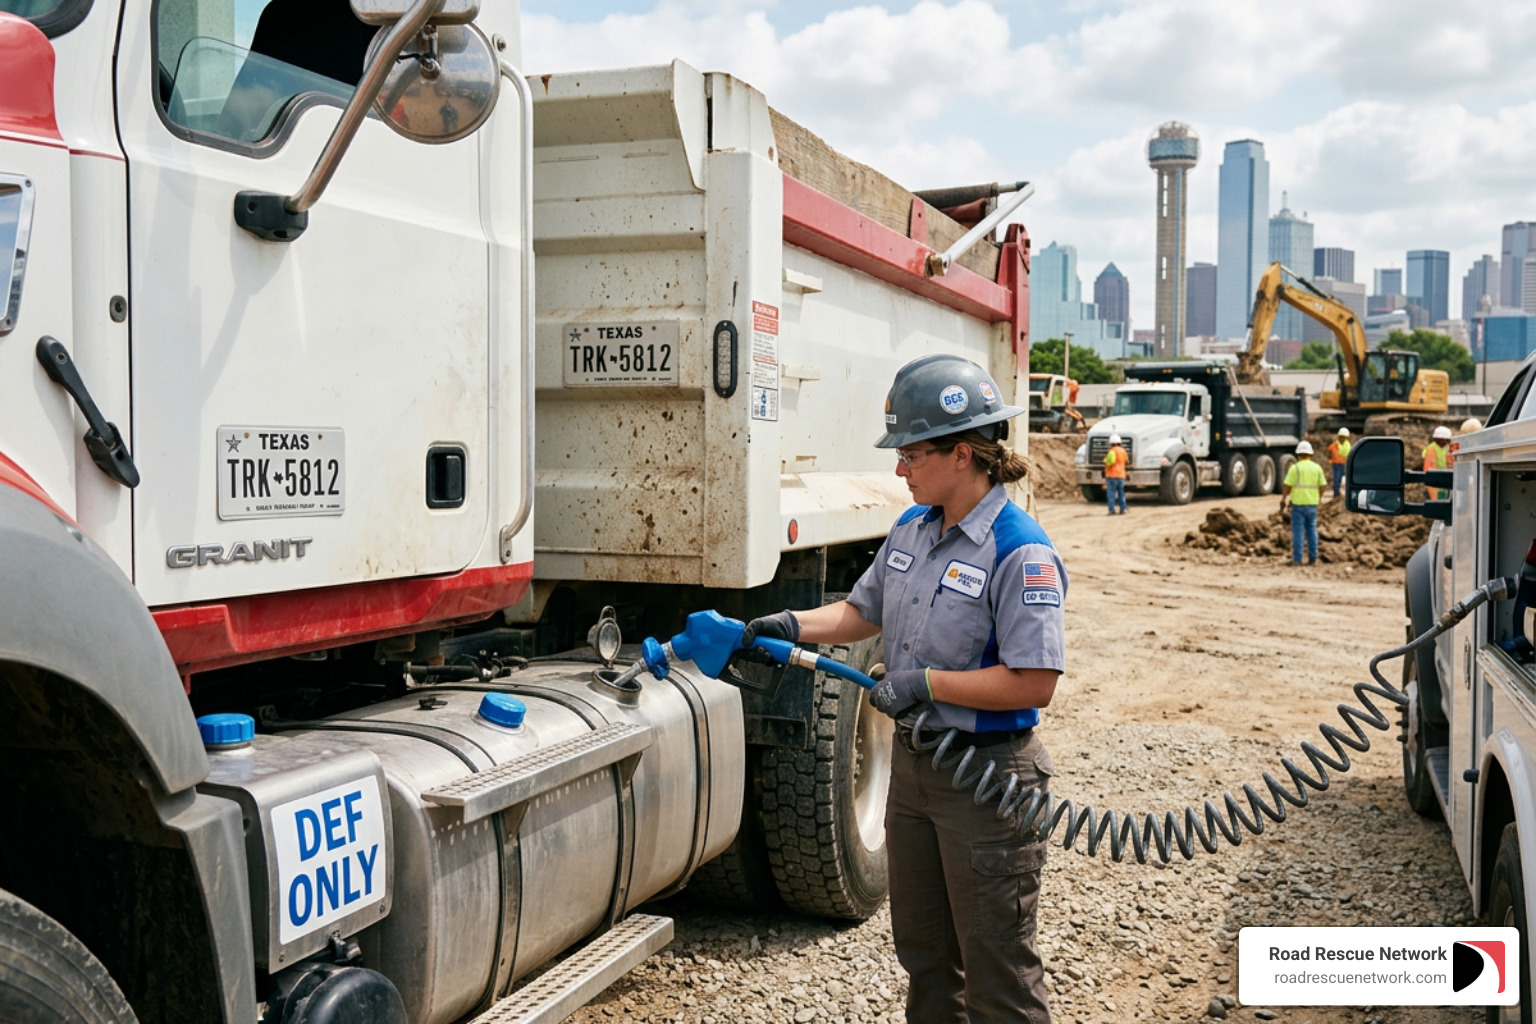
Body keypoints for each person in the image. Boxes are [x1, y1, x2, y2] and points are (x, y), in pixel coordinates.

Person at [743, 354, 1065, 1023]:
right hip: (918, 776)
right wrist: (788, 623)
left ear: (962, 453)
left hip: (987, 781)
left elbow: (1034, 682)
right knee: (924, 958)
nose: (899, 468)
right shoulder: (912, 531)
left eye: (911, 453)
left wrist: (927, 682)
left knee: (997, 975)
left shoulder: (1019, 549)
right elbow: (864, 614)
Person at [1281, 440, 1327, 565]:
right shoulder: (1317, 468)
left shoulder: (1295, 468)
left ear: (1298, 454)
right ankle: (1313, 558)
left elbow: (1287, 485)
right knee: (1312, 530)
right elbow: (1323, 485)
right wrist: (1318, 497)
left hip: (1297, 505)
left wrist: (1283, 499)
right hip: (1312, 505)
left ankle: (1297, 559)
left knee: (1298, 532)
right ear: (1310, 454)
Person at [1423, 425, 1452, 501]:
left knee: (1444, 498)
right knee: (1436, 500)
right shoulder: (1432, 449)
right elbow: (1428, 466)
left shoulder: (1447, 448)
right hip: (1435, 481)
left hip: (1444, 479)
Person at [1103, 432, 1128, 515]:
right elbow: (1126, 461)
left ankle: (1111, 510)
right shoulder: (1123, 451)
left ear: (1111, 443)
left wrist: (1105, 461)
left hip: (1111, 475)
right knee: (1121, 493)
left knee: (1111, 494)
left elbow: (1111, 462)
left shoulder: (1112, 451)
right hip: (1121, 475)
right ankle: (1123, 509)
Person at [1327, 427, 1351, 499]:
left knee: (1340, 478)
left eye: (1344, 437)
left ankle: (1337, 492)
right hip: (1336, 464)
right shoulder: (1335, 445)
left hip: (1343, 463)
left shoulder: (1347, 445)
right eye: (1341, 437)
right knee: (1337, 478)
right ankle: (1336, 493)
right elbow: (1330, 452)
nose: (1342, 439)